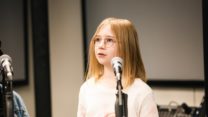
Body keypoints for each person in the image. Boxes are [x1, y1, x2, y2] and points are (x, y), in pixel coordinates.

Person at [77, 17, 159, 117]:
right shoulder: (87, 88)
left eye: (109, 40)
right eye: (97, 39)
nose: (101, 45)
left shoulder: (142, 92)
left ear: (127, 46)